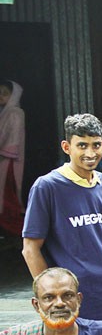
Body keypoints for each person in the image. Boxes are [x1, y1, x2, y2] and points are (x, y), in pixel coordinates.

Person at [22, 114, 102, 330]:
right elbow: (30, 249)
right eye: (82, 145)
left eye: (96, 145)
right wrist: (49, 294)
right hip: (75, 300)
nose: (90, 152)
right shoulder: (47, 187)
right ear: (67, 147)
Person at [0, 79, 25, 236]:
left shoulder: (15, 113)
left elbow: (12, 140)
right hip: (4, 160)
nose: (1, 96)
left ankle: (19, 231)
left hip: (8, 161)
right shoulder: (5, 113)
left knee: (7, 195)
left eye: (5, 93)